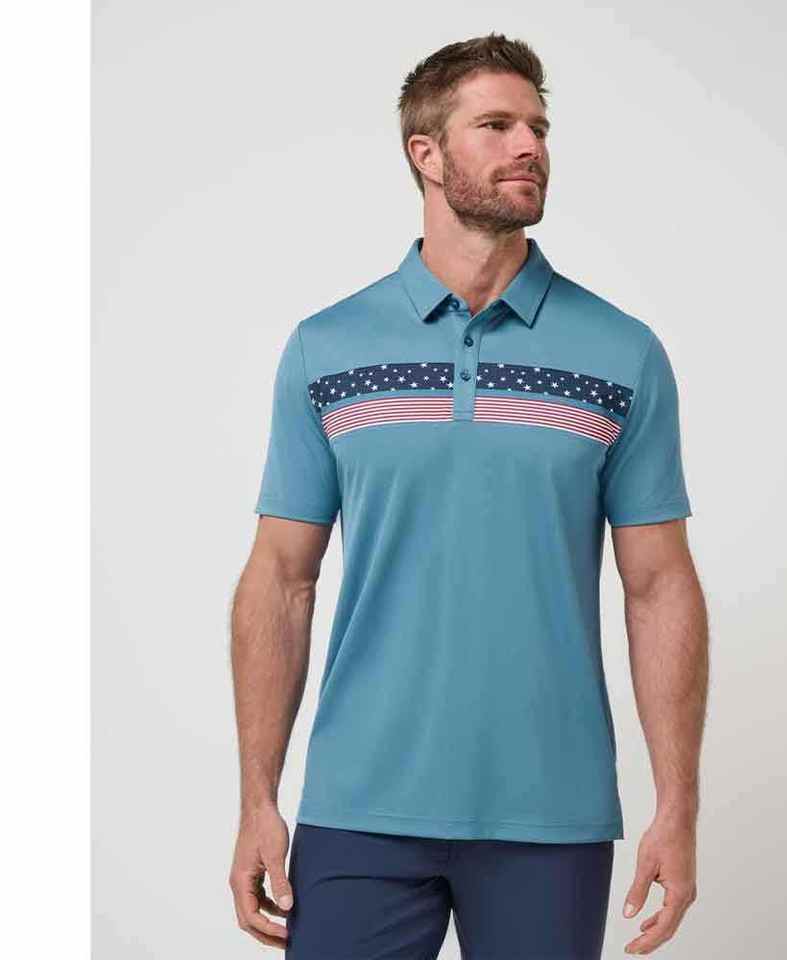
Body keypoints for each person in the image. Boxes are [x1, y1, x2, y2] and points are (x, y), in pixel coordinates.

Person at [228, 32, 709, 959]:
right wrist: (257, 798)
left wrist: (678, 806)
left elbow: (659, 586)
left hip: (552, 813)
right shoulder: (328, 349)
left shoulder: (622, 353)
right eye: (496, 125)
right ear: (427, 152)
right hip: (358, 808)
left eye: (539, 127)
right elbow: (281, 579)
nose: (529, 145)